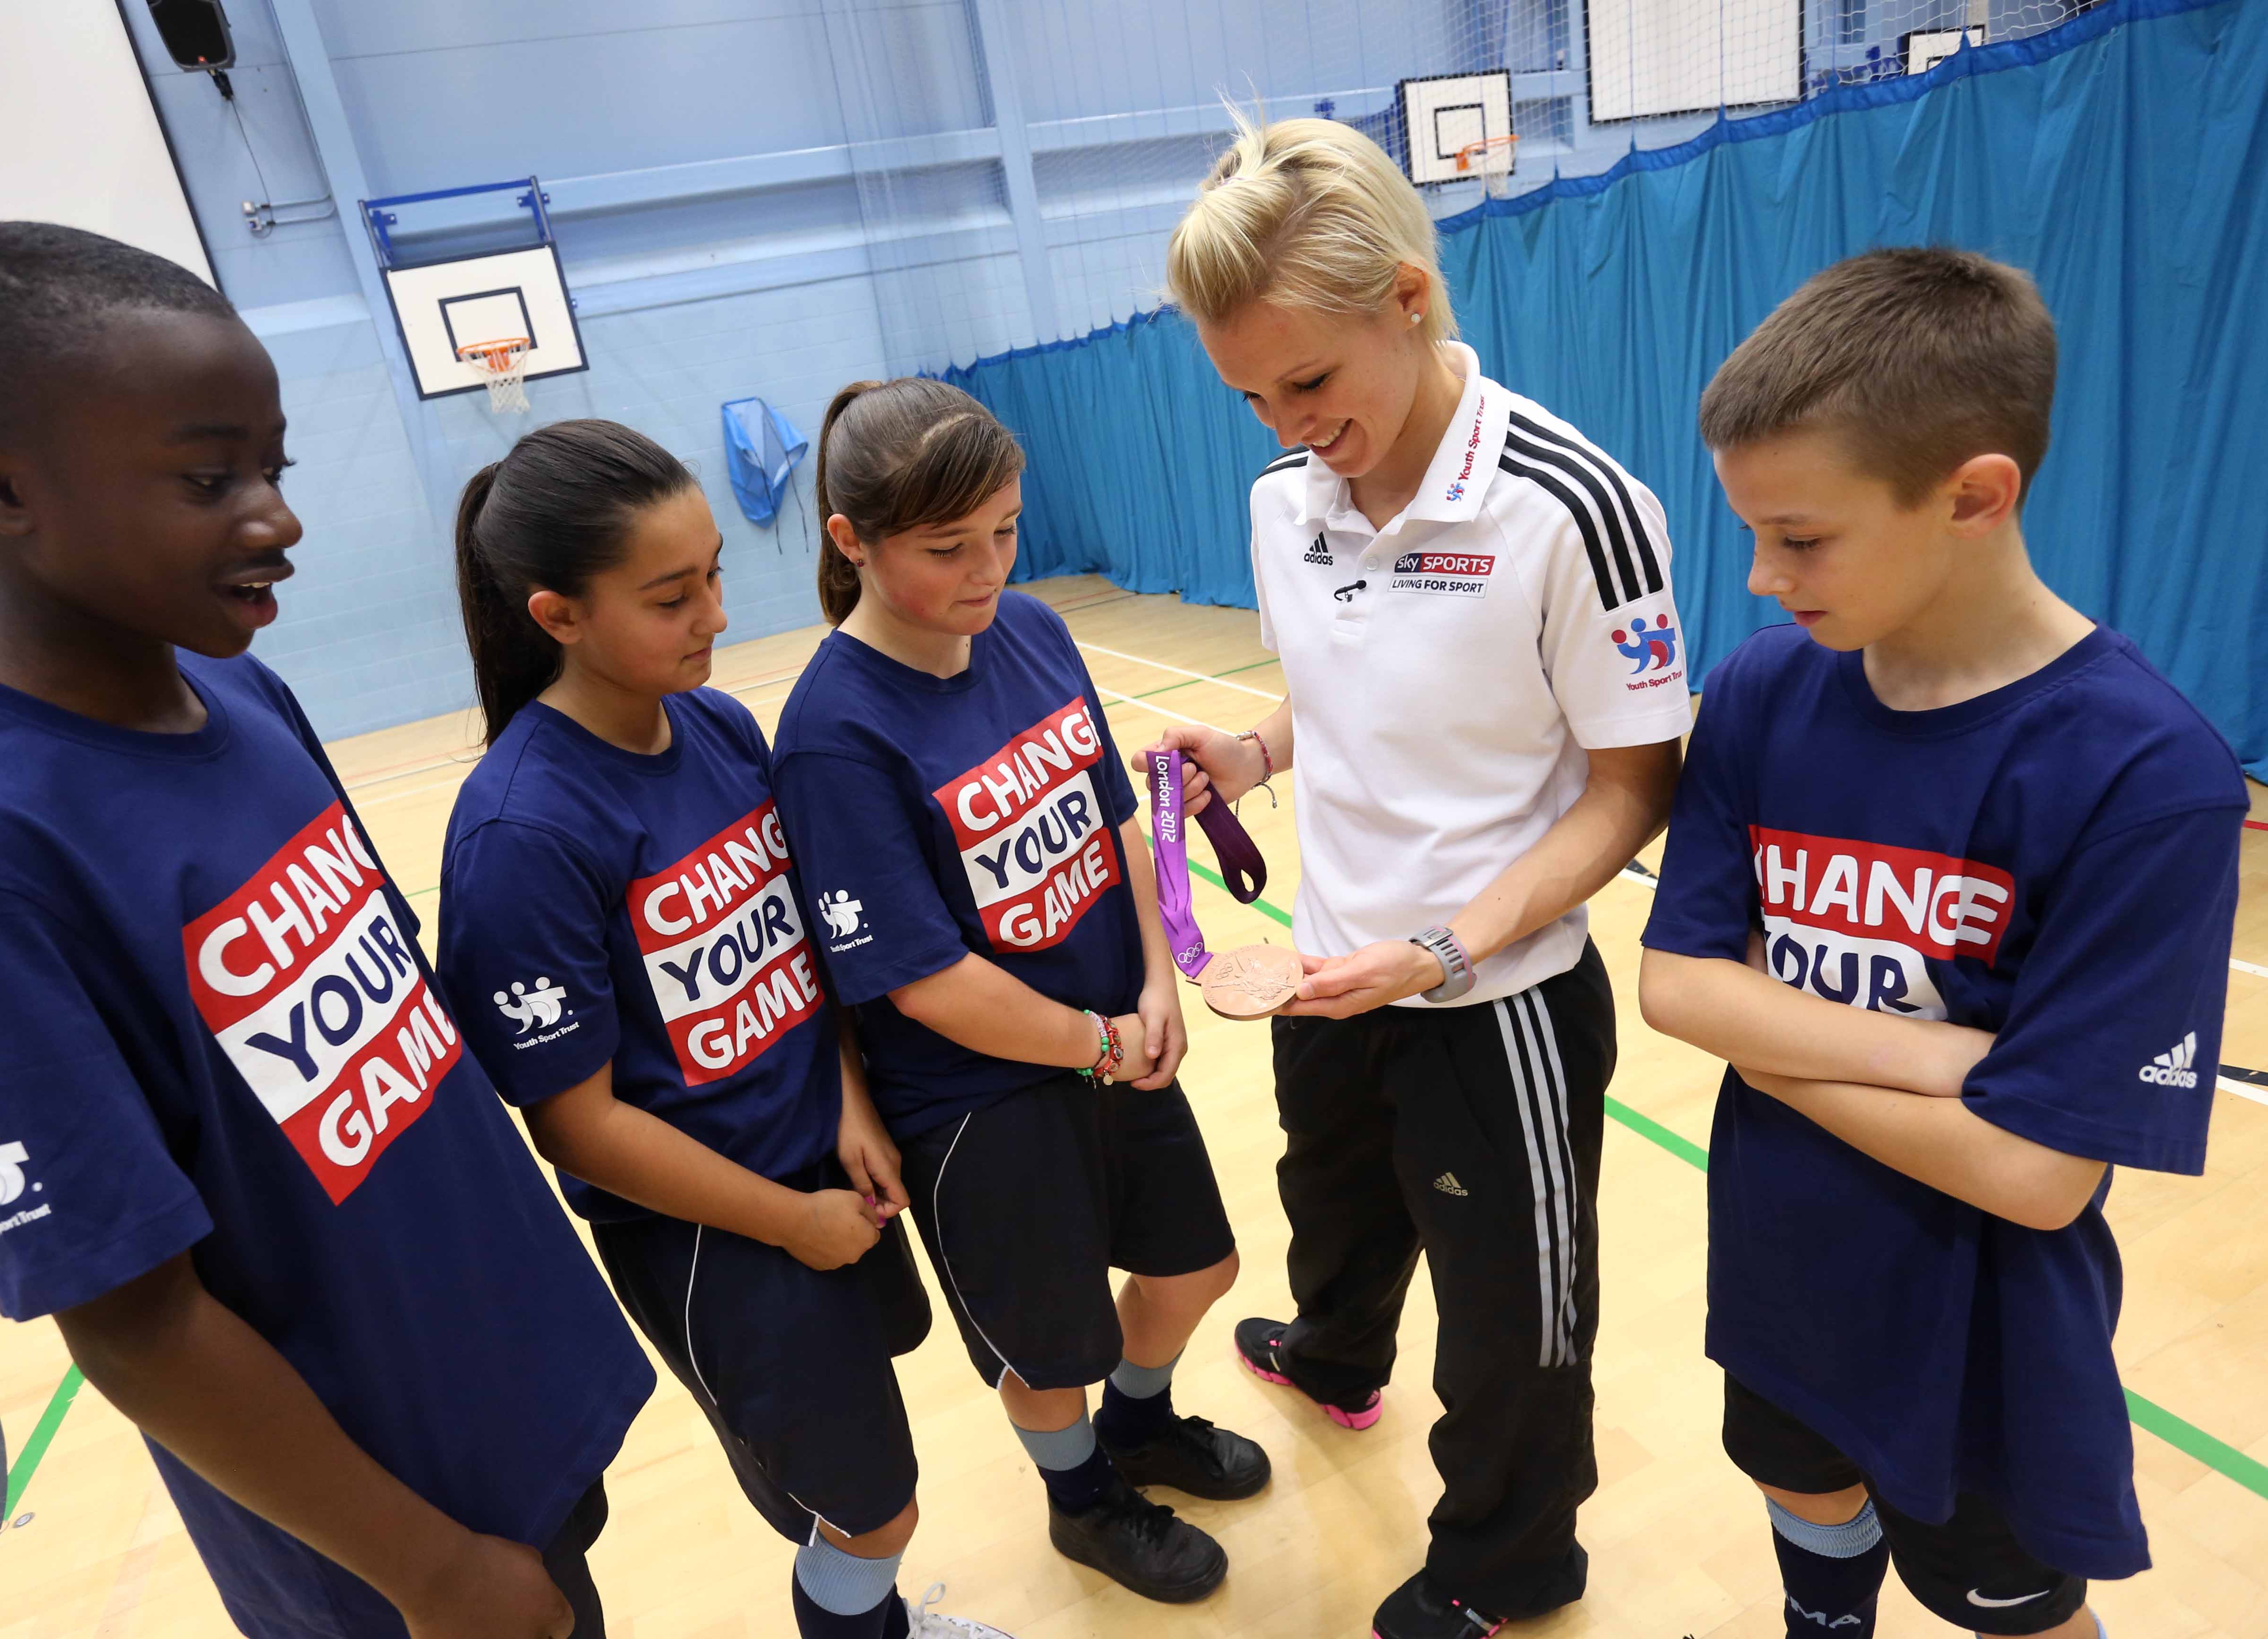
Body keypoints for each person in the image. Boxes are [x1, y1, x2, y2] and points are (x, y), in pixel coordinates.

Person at [0, 223, 653, 1639]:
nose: (275, 517)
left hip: (509, 1413)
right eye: (211, 480)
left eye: (276, 469)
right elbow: (131, 1319)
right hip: (388, 1540)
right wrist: (431, 1571)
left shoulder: (244, 700)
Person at [1640, 248, 2247, 1639]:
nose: (1756, 577)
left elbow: (2036, 1178)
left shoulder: (2147, 777)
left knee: (2016, 1612)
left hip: (1986, 1334)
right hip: (1785, 1264)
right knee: (1799, 1485)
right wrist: (1950, 1059)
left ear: (1974, 496)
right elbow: (1677, 985)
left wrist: (1770, 1051)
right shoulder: (1762, 691)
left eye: (1801, 538)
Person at [1155, 117, 1691, 1636]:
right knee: (1330, 1197)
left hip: (1494, 998)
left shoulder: (1571, 506)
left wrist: (1451, 949)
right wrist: (1253, 760)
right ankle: (1333, 1355)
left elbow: (1634, 782)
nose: (1286, 427)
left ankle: (1512, 1564)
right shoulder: (1288, 501)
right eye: (1249, 395)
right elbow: (1337, 696)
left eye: (1308, 384)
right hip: (1334, 969)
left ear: (1407, 296)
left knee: (1514, 1321)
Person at [433, 419, 1013, 1639]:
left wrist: (850, 1100)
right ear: (558, 616)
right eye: (669, 596)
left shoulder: (716, 729)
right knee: (874, 1510)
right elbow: (579, 1127)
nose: (713, 616)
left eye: (713, 577)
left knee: (864, 1478)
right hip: (719, 1232)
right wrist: (786, 1222)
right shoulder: (521, 837)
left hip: (822, 1176)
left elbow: (806, 954)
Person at [768, 378, 1270, 1606]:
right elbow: (924, 978)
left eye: (1005, 528)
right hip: (981, 1095)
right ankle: (1082, 1498)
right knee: (1053, 1347)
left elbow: (1115, 828)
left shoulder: (1033, 632)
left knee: (1196, 1269)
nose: (991, 566)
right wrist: (1094, 1041)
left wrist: (1159, 978)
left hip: (1111, 1037)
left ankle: (1139, 1427)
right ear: (853, 542)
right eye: (949, 548)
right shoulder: (834, 733)